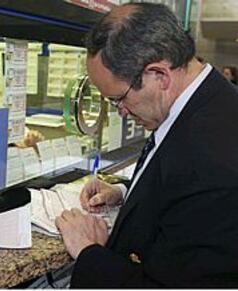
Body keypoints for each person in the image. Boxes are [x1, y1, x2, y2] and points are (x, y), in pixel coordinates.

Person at [55, 3, 238, 288]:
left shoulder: (211, 159)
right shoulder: (207, 102)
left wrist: (88, 252)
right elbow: (177, 184)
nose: (120, 111)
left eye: (119, 98)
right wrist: (127, 192)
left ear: (159, 76)